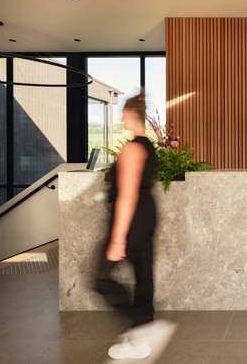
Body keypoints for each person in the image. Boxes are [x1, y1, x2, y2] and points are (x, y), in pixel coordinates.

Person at [94, 90, 161, 360]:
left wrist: (118, 238)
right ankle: (144, 329)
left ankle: (140, 334)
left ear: (131, 114)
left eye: (122, 112)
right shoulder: (148, 146)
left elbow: (128, 194)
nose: (120, 116)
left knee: (101, 278)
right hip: (147, 217)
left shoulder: (132, 149)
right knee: (143, 275)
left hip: (132, 221)